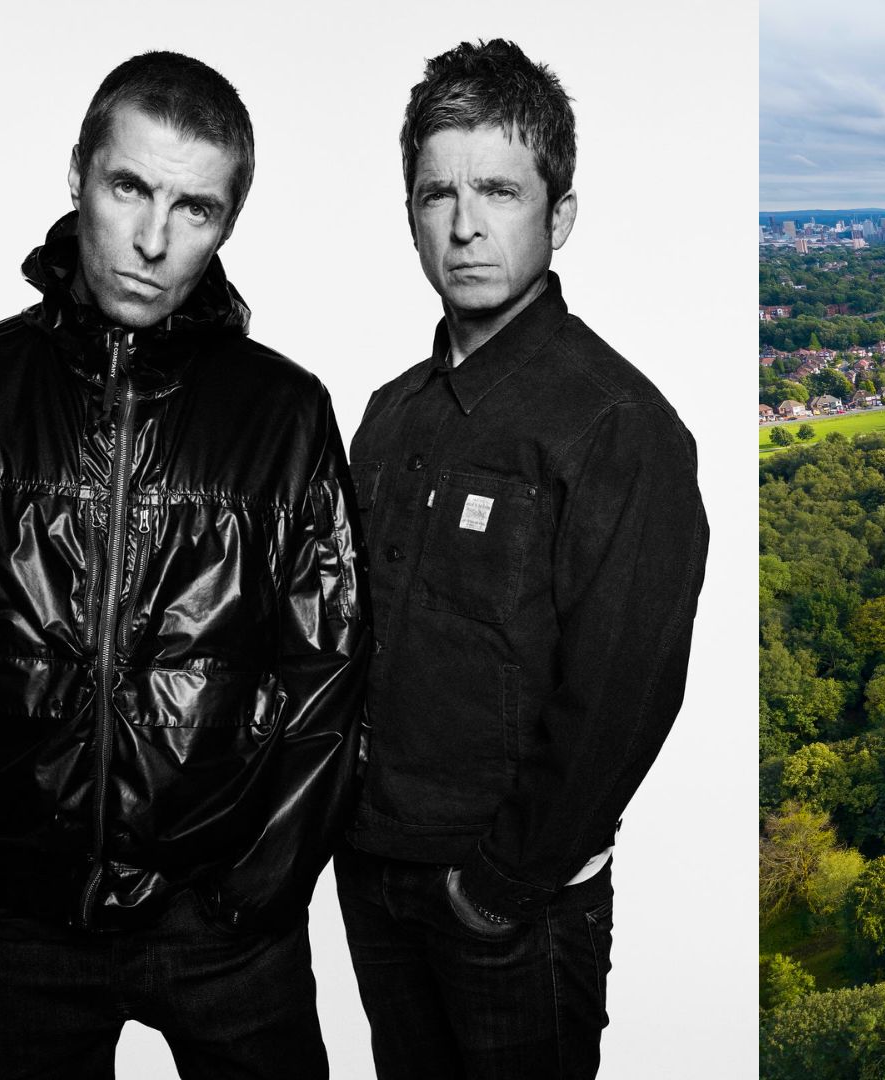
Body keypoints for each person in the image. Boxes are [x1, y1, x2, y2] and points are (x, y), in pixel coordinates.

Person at [0, 51, 366, 1079]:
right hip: (24, 927)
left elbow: (329, 672)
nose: (151, 239)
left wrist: (256, 889)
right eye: (129, 187)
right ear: (78, 174)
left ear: (228, 225)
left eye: (195, 209)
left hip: (221, 921)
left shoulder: (285, 417)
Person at [337, 39, 709, 1078]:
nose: (464, 225)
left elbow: (626, 690)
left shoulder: (619, 426)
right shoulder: (385, 417)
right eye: (434, 194)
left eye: (498, 190)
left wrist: (502, 884)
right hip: (374, 872)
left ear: (561, 214)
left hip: (509, 903)